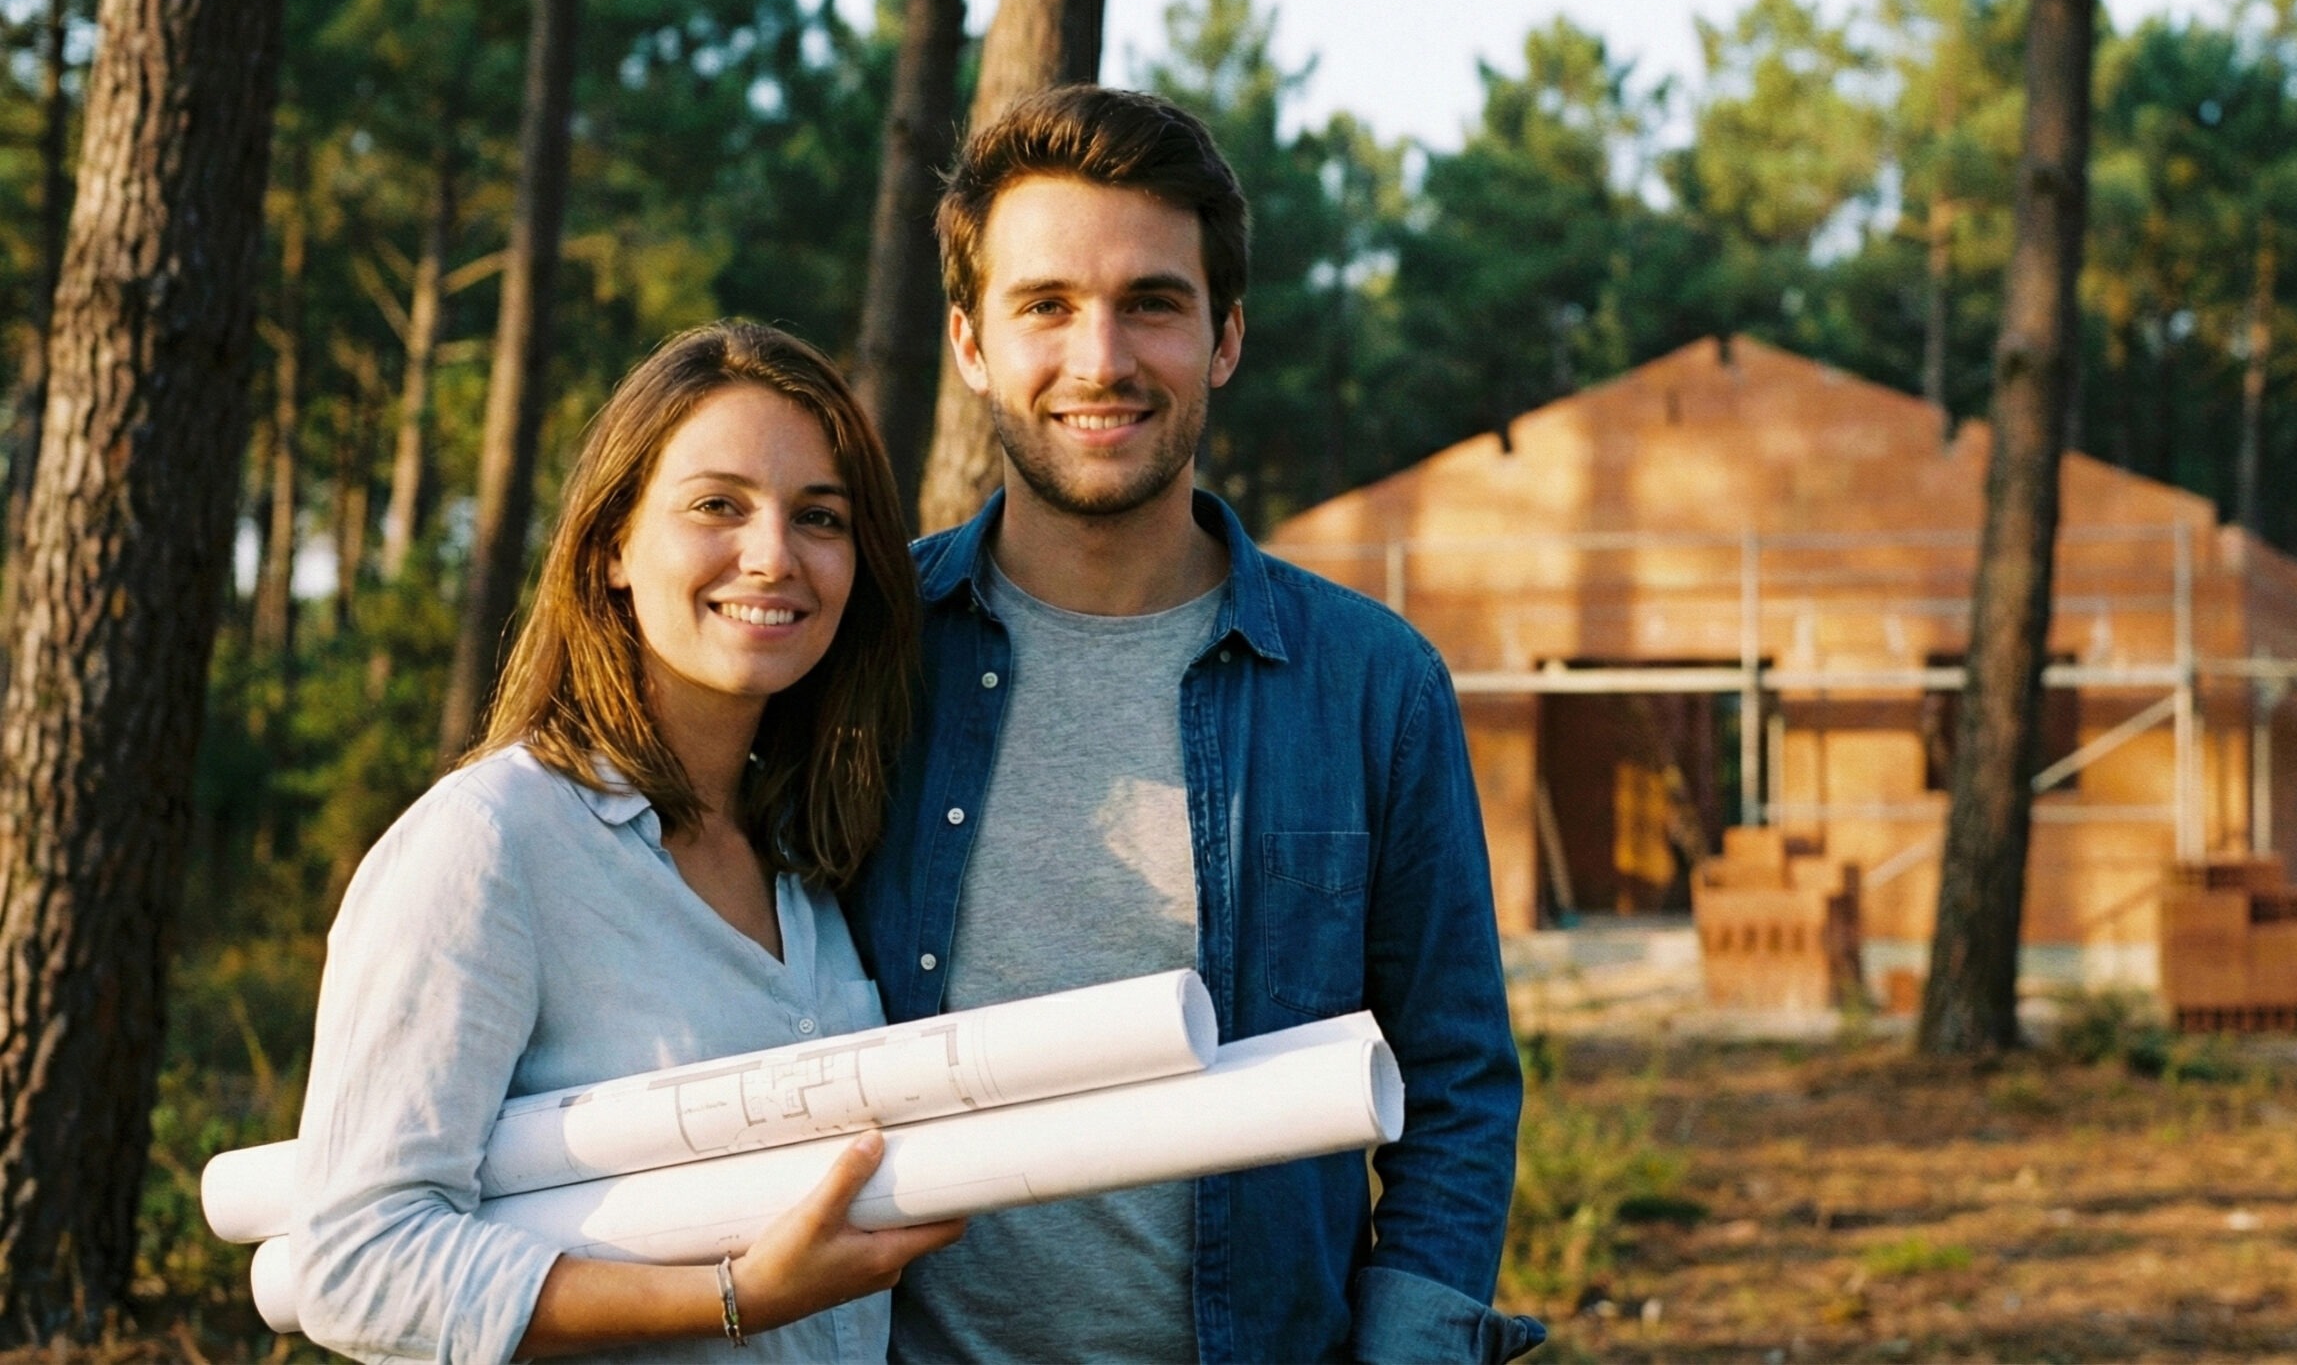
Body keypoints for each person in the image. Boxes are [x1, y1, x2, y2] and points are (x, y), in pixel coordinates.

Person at [852, 86, 1545, 1364]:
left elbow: (1454, 1086)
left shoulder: (1373, 684)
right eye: (1045, 305)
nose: (1100, 357)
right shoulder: (858, 658)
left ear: (1224, 337)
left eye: (1152, 304)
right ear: (968, 344)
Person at [291, 322, 963, 1363]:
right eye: (716, 505)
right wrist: (731, 1296)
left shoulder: (805, 864)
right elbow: (356, 1261)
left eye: (818, 517)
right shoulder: (491, 845)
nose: (772, 555)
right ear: (612, 545)